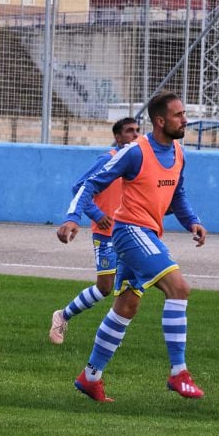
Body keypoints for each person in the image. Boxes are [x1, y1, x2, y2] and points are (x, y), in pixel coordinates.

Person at [71, 92, 208, 402]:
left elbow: (178, 195)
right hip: (129, 231)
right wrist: (72, 217)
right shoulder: (135, 153)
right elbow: (90, 183)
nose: (185, 120)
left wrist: (192, 221)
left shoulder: (179, 153)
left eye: (184, 114)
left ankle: (90, 377)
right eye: (178, 115)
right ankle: (179, 373)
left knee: (126, 307)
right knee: (179, 288)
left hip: (149, 233)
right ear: (160, 121)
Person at [49, 117, 140, 344]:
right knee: (105, 287)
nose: (135, 135)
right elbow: (79, 187)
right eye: (129, 131)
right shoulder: (107, 159)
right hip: (106, 233)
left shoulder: (135, 161)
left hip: (127, 232)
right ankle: (62, 315)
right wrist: (97, 215)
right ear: (118, 137)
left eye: (137, 131)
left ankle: (111, 337)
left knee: (131, 284)